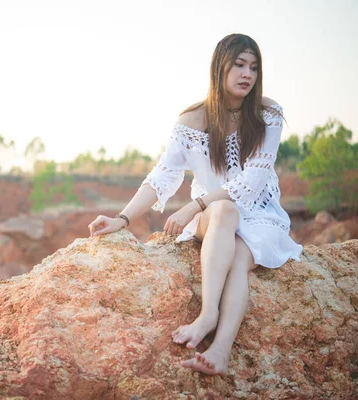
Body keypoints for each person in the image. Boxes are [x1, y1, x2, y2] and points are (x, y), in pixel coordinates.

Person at [87, 33, 303, 376]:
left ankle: (220, 351)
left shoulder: (268, 114)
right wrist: (122, 219)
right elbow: (162, 176)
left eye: (254, 67)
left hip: (261, 215)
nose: (248, 74)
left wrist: (195, 204)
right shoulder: (192, 121)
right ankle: (208, 314)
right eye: (239, 65)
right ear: (219, 68)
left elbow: (253, 182)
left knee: (241, 257)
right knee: (225, 211)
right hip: (215, 218)